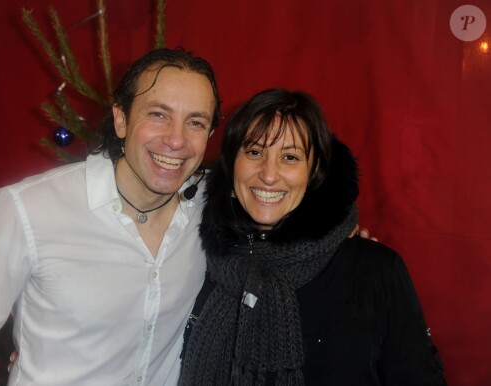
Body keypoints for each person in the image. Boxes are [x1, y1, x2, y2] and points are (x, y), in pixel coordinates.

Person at [0, 47, 221, 385]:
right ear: (121, 119)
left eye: (195, 122)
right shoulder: (26, 210)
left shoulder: (210, 206)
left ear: (210, 135)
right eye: (158, 114)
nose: (176, 140)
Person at [179, 89, 446, 385]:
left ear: (315, 170)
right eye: (254, 152)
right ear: (231, 164)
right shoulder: (201, 261)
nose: (269, 175)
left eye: (290, 157)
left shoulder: (373, 271)